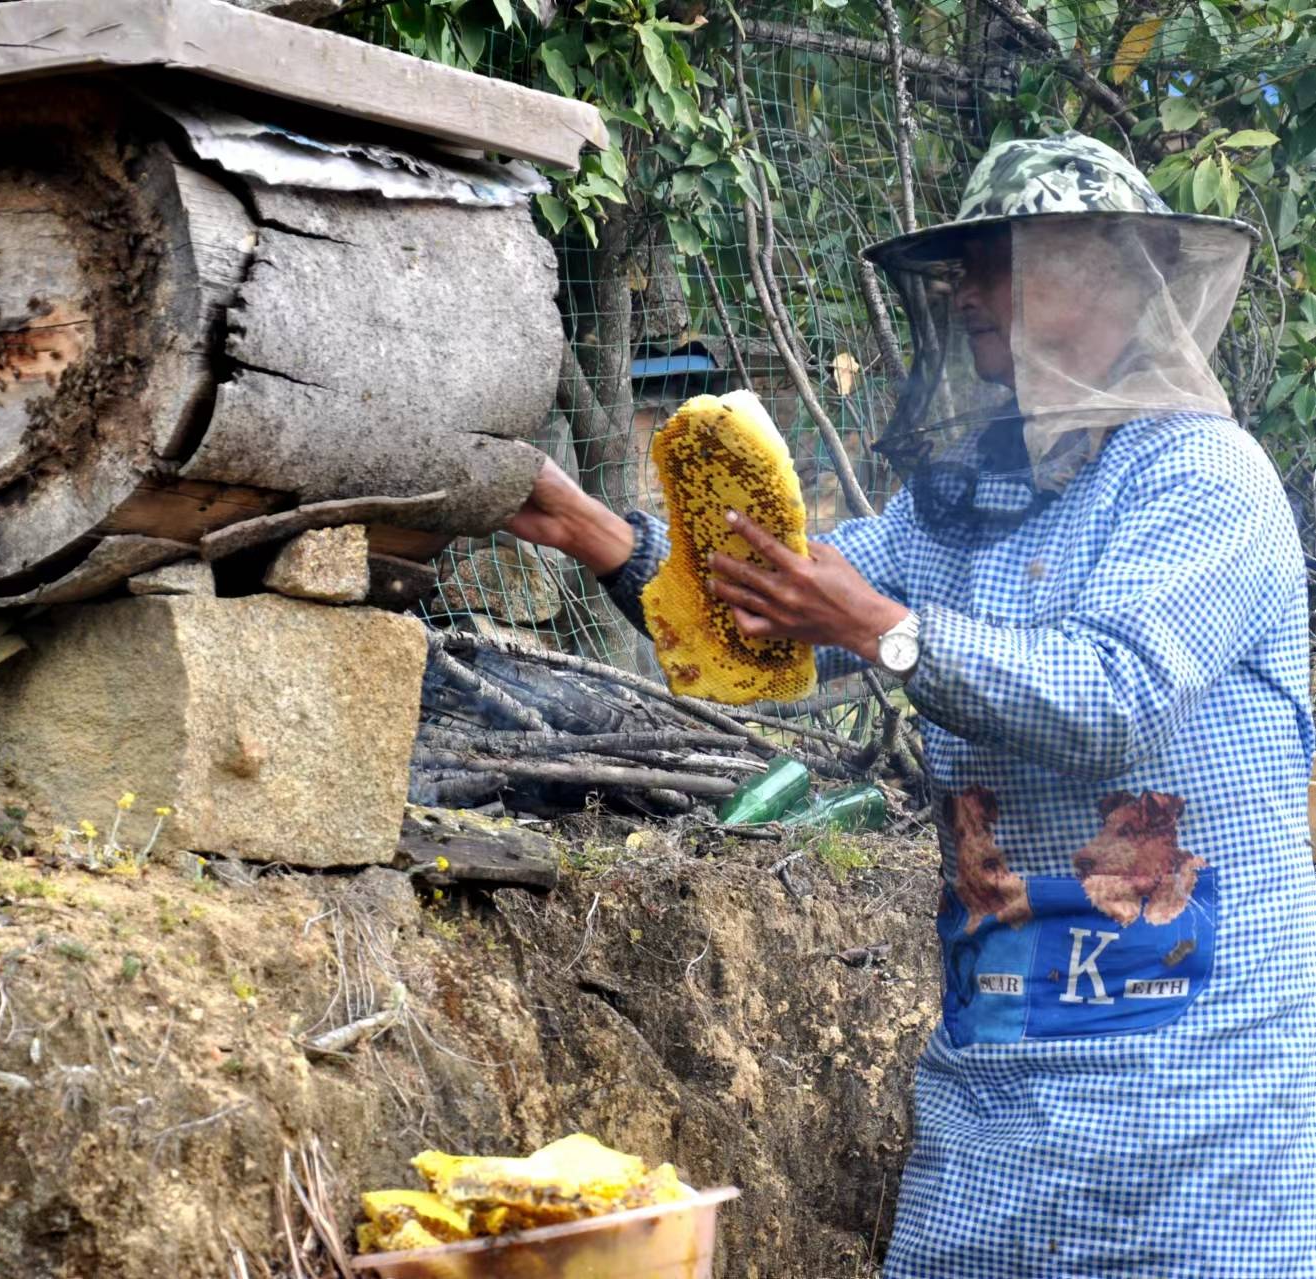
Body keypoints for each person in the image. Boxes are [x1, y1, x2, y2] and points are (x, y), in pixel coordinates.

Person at [508, 133, 1316, 1276]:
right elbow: (775, 622)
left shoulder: (1203, 479)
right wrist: (597, 534)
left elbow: (1114, 697)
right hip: (999, 1070)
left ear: (1115, 280)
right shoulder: (970, 496)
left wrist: (882, 629)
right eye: (961, 268)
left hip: (1195, 1081)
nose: (967, 291)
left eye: (999, 261)